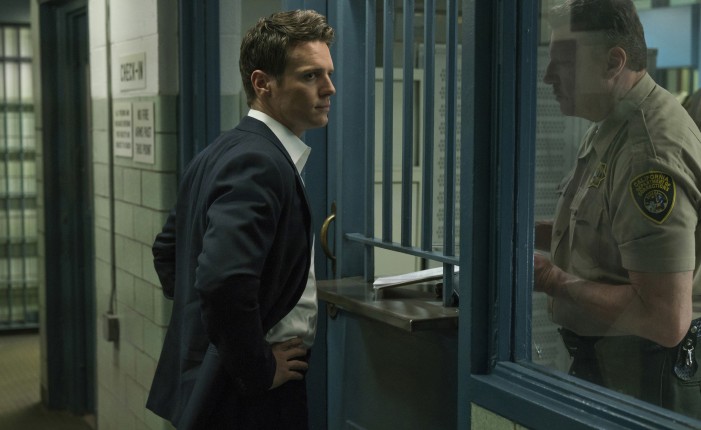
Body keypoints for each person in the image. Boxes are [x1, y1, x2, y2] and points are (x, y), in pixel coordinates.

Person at [145, 10, 335, 429]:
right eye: (310, 76)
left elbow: (167, 253)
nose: (329, 88)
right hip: (249, 395)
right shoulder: (259, 162)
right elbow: (222, 281)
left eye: (328, 73)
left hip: (230, 383)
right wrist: (256, 366)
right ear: (263, 83)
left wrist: (208, 327)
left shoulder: (224, 149)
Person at [534, 0, 701, 418]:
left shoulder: (647, 151)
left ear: (613, 62)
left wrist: (552, 279)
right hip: (615, 373)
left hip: (648, 383)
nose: (548, 76)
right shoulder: (612, 124)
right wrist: (524, 233)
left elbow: (664, 318)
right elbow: (610, 239)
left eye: (563, 62)